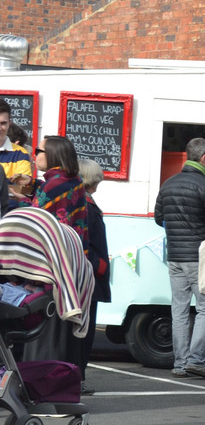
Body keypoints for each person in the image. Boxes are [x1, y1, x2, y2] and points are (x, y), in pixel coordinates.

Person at [153, 138, 205, 378]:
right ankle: (196, 359)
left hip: (174, 257)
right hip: (200, 257)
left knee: (179, 311)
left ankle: (180, 364)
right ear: (204, 158)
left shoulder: (168, 183)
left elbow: (158, 217)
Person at [23, 136, 89, 365]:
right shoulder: (74, 180)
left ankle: (36, 383)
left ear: (51, 155)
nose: (35, 154)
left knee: (41, 333)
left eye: (39, 150)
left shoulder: (52, 186)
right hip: (70, 265)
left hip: (47, 268)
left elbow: (33, 222)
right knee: (61, 331)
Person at [76, 158, 110, 395]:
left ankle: (78, 377)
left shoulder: (85, 203)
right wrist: (100, 266)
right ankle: (77, 378)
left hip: (90, 273)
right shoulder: (86, 206)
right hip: (90, 275)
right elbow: (85, 243)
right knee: (83, 334)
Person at [0, 99, 33, 211]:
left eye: (3, 123)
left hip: (7, 215)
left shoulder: (20, 154)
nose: (0, 128)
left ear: (10, 123)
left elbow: (20, 190)